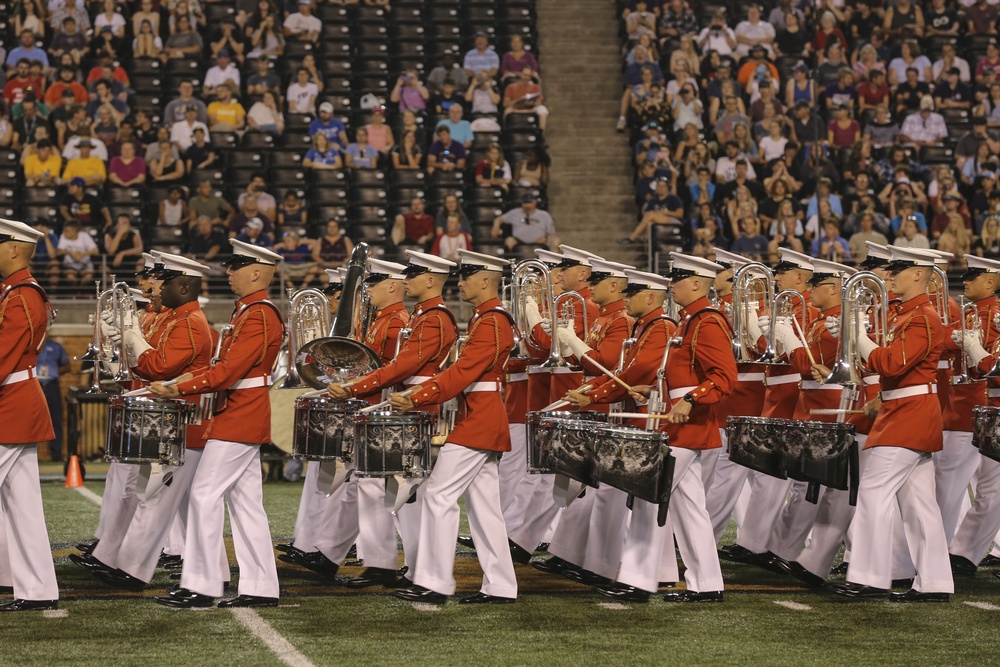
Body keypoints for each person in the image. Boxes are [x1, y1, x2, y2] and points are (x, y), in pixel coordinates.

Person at [149, 240, 285, 608]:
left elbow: (229, 371)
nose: (228, 272)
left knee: (204, 495)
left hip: (242, 412)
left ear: (256, 272)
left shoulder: (259, 313)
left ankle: (204, 584)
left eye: (236, 265)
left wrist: (179, 385)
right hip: (239, 410)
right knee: (245, 503)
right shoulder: (250, 311)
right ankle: (260, 586)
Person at [73, 253, 217, 592]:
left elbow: (158, 367)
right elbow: (141, 372)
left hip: (183, 425)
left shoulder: (191, 323)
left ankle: (135, 568)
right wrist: (119, 353)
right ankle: (113, 557)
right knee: (153, 496)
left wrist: (130, 338)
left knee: (160, 498)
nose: (154, 288)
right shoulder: (174, 320)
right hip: (163, 422)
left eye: (162, 281)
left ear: (182, 286)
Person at [390, 249, 517, 604]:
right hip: (477, 415)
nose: (459, 282)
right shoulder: (484, 318)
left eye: (466, 276)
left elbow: (463, 373)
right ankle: (502, 586)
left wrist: (417, 396)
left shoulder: (493, 320)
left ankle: (434, 582)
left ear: (485, 280)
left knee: (438, 494)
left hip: (479, 420)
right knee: (485, 508)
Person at [325, 252, 459, 587]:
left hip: (414, 407)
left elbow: (405, 366)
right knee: (390, 489)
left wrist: (356, 386)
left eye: (413, 275)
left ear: (430, 280)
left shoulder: (435, 319)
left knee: (407, 492)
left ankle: (410, 568)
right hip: (404, 406)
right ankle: (393, 565)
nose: (406, 280)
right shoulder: (421, 316)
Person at [829, 246, 954, 602]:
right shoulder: (908, 315)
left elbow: (892, 364)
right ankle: (934, 583)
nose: (890, 274)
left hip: (909, 416)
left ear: (918, 273)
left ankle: (871, 576)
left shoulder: (922, 317)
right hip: (905, 411)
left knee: (873, 492)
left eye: (898, 268)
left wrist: (860, 337)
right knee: (920, 505)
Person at [0, 218, 60, 611]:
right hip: (14, 401)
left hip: (12, 402)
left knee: (22, 504)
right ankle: (35, 588)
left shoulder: (22, 294)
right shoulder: (16, 291)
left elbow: (2, 354)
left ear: (14, 248)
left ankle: (35, 587)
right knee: (22, 505)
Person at [491, 193, 557, 251]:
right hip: (519, 241)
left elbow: (551, 232)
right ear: (522, 203)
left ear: (535, 203)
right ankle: (510, 262)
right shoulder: (514, 213)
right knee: (509, 240)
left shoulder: (544, 215)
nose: (527, 205)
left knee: (555, 240)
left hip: (540, 241)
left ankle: (553, 262)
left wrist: (546, 238)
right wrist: (496, 226)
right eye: (525, 203)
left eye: (530, 203)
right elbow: (498, 219)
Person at [55, 220, 97, 286]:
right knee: (71, 278)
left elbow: (95, 251)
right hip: (70, 265)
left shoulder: (84, 236)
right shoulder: (63, 236)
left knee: (88, 277)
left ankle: (81, 292)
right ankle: (75, 292)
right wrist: (71, 253)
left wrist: (82, 254)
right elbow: (59, 251)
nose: (64, 232)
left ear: (74, 231)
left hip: (85, 264)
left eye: (67, 230)